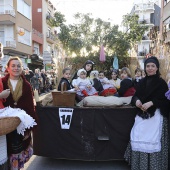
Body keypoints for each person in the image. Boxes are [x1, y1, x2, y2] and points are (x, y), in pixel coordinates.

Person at [124, 56, 169, 170]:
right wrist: (137, 101)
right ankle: (141, 166)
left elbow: (165, 101)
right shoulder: (142, 82)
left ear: (157, 68)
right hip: (142, 114)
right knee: (137, 134)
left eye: (152, 66)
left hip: (156, 115)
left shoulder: (161, 83)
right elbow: (135, 96)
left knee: (153, 139)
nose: (150, 68)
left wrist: (152, 102)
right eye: (148, 66)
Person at [2, 56, 37, 170]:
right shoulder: (2, 82)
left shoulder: (26, 85)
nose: (16, 68)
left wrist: (28, 129)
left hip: (20, 125)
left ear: (22, 68)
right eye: (13, 66)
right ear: (8, 68)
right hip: (5, 125)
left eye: (18, 66)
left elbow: (30, 108)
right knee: (5, 154)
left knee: (17, 154)